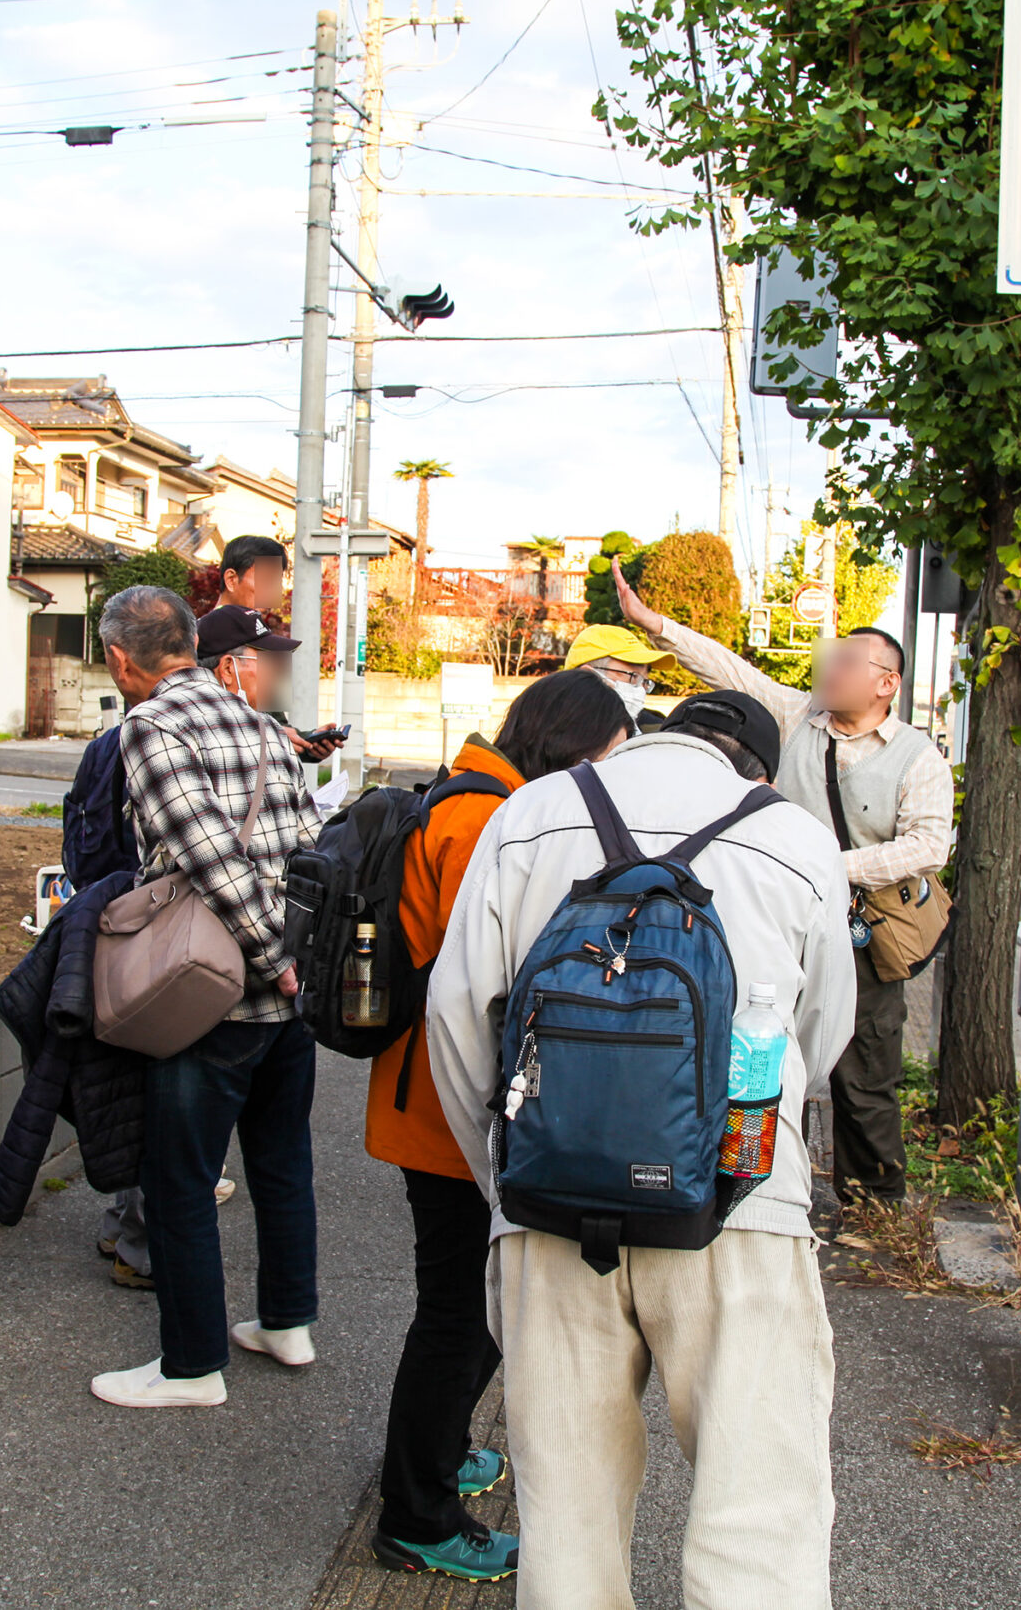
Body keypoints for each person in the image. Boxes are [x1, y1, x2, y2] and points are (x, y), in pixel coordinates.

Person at [422, 689, 855, 1610]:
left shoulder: (529, 814)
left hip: (551, 1206)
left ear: (646, 737)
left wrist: (509, 1180)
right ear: (758, 770)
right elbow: (824, 1034)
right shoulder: (795, 838)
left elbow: (457, 1021)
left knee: (566, 1519)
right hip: (739, 1206)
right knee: (758, 1515)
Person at [366, 669, 636, 1584]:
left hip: (428, 1098)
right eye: (606, 756)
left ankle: (433, 1457)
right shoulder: (488, 818)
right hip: (446, 1108)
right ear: (572, 747)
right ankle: (416, 1512)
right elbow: (484, 984)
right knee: (461, 1317)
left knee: (462, 1308)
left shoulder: (478, 793)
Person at [609, 558, 952, 1205]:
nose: (831, 669)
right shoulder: (799, 716)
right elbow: (724, 668)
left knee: (865, 1070)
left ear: (887, 683)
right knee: (760, 1047)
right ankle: (760, 1183)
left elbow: (929, 845)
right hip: (780, 918)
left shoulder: (917, 755)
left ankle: (873, 1203)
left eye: (848, 662)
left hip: (868, 935)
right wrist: (653, 624)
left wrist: (830, 865)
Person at [89, 586, 320, 1409]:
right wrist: (295, 960)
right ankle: (287, 1322)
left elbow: (210, 857)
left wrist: (269, 960)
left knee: (179, 1177)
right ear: (192, 643)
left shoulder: (150, 726)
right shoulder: (257, 723)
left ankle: (190, 1367)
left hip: (211, 994)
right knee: (282, 1160)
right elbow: (308, 850)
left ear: (122, 658)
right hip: (285, 998)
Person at [215, 534, 342, 764]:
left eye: (277, 582)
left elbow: (276, 723)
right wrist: (267, 736)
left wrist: (307, 742)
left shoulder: (265, 641)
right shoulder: (197, 638)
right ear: (232, 579)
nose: (274, 593)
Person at [559, 622, 667, 730]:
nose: (641, 690)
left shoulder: (656, 730)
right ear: (588, 676)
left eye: (645, 681)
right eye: (633, 676)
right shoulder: (548, 732)